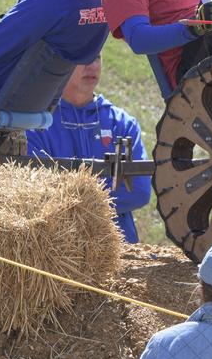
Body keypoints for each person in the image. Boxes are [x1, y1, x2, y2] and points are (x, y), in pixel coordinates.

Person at [25, 53, 151, 242]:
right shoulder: (35, 123)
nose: (92, 66)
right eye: (84, 57)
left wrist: (73, 199)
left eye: (97, 58)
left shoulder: (122, 123)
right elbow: (38, 195)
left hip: (119, 249)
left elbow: (139, 192)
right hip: (58, 250)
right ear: (62, 62)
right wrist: (105, 192)